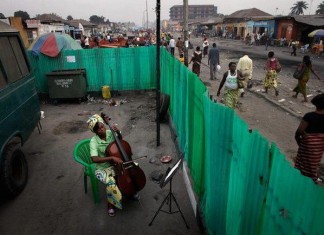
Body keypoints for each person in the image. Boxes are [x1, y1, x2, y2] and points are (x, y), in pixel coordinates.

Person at [87, 114, 139, 217]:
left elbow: (120, 140)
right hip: (102, 168)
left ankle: (130, 191)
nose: (102, 129)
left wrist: (117, 132)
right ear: (95, 132)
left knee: (131, 169)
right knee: (111, 182)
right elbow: (94, 159)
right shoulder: (94, 141)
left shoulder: (110, 133)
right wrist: (112, 158)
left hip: (116, 164)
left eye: (102, 126)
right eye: (99, 129)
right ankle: (111, 205)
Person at [294, 93, 324, 183]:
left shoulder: (309, 116)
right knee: (314, 164)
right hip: (319, 147)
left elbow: (299, 131)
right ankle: (312, 180)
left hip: (307, 144)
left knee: (302, 164)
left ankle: (299, 180)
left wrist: (300, 143)